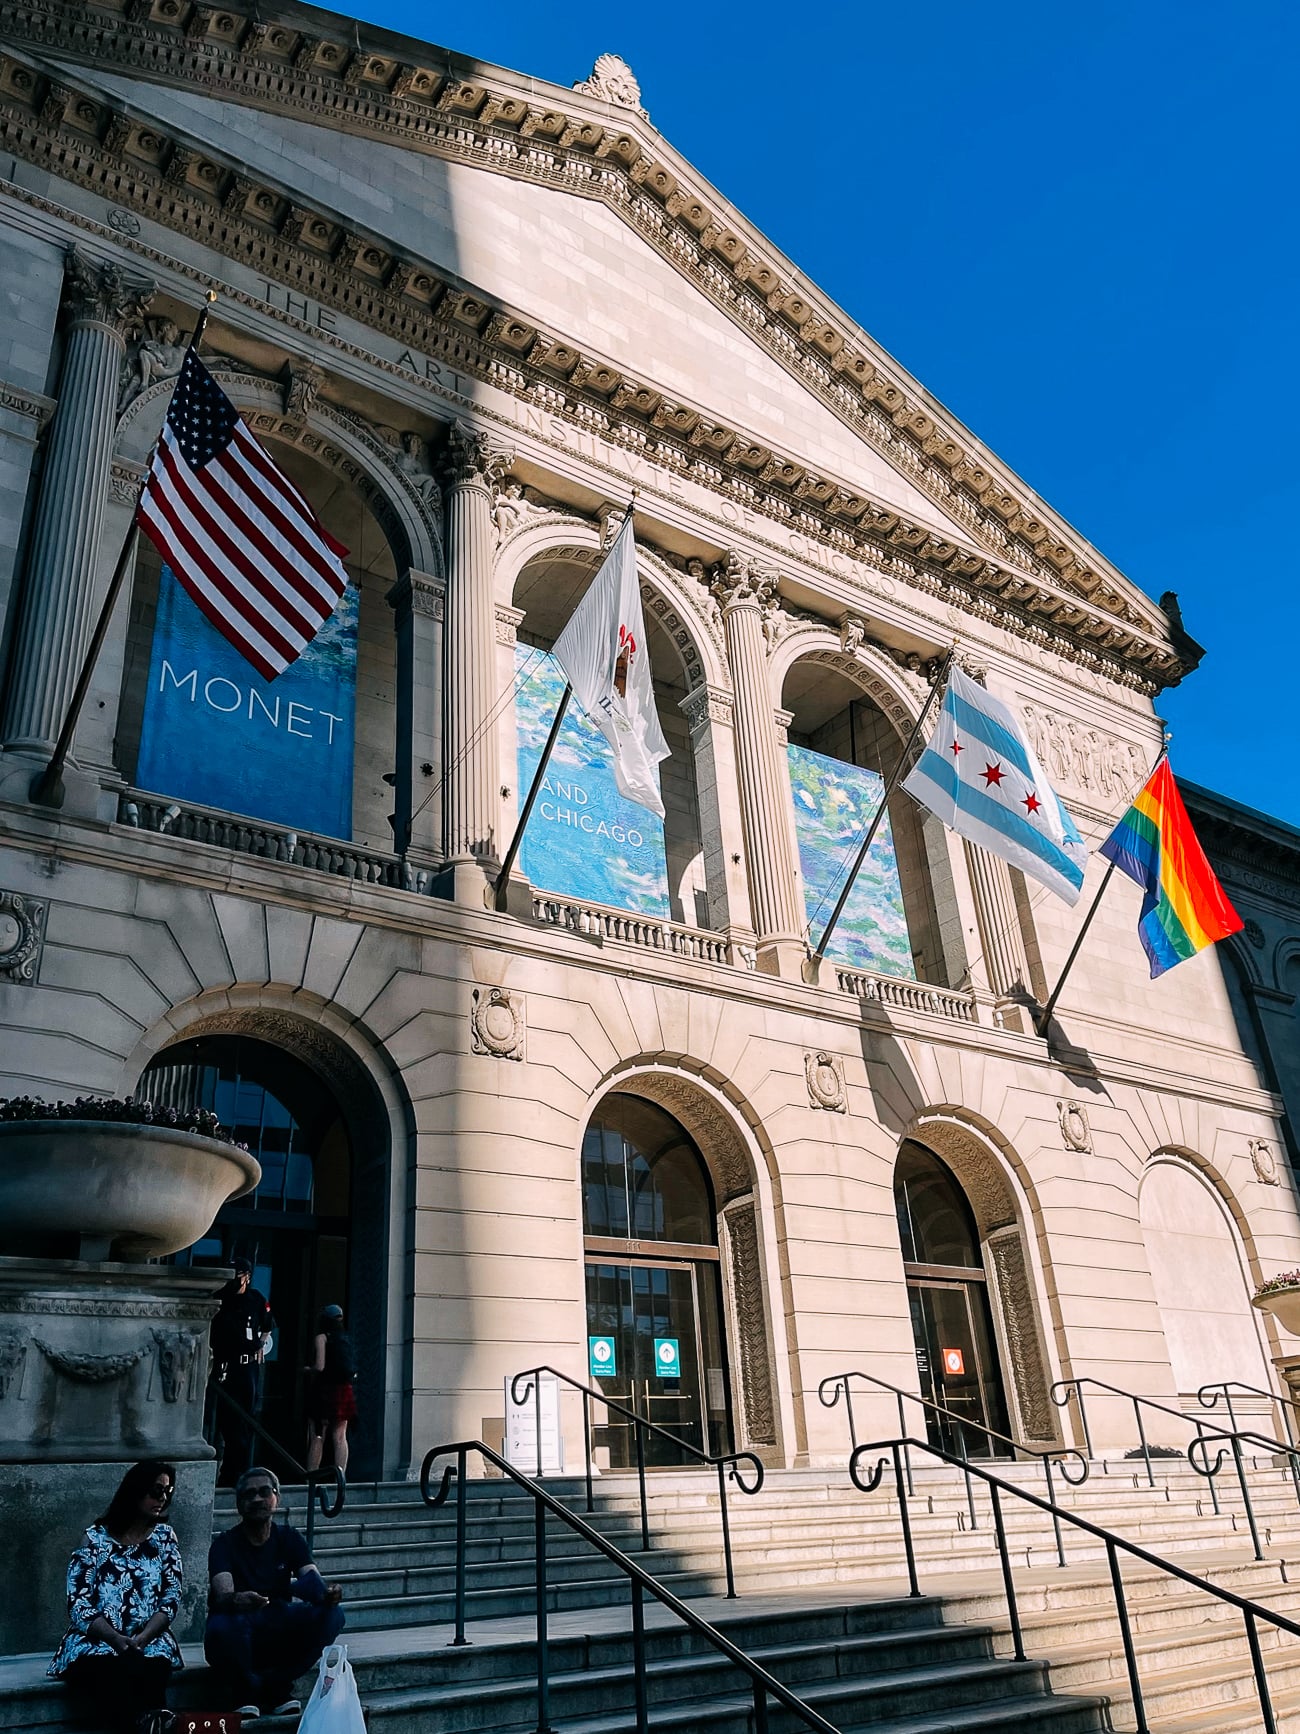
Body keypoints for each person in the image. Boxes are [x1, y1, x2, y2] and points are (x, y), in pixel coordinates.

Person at [49, 1460, 183, 1734]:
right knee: (112, 1671)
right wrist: (113, 1637)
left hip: (149, 1637)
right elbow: (78, 1602)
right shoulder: (95, 1540)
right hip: (96, 1639)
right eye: (156, 1491)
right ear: (135, 1491)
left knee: (151, 1666)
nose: (163, 1498)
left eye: (167, 1492)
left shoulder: (165, 1538)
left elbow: (171, 1597)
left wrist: (143, 1637)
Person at [204, 1467, 344, 1718]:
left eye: (264, 1492)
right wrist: (239, 1599)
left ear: (276, 1498)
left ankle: (277, 1685)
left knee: (333, 1616)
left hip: (277, 1623)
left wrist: (329, 1595)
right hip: (237, 1626)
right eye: (249, 1494)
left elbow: (313, 1582)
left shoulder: (288, 1538)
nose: (257, 1499)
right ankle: (244, 1690)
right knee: (223, 1625)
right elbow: (223, 1595)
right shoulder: (224, 1544)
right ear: (238, 1504)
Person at [211, 1258, 273, 1488]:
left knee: (246, 1421)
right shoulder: (222, 1298)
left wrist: (260, 1346)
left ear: (246, 1275)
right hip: (225, 1366)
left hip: (248, 1367)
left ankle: (239, 1472)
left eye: (237, 1274)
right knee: (227, 1421)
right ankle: (228, 1472)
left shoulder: (255, 1299)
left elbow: (267, 1325)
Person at [305, 1304, 356, 1479]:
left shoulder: (322, 1337)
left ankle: (311, 1476)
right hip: (344, 1390)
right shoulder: (346, 1339)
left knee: (318, 1435)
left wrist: (307, 1370)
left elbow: (320, 1366)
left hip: (324, 1390)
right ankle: (341, 1477)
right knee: (340, 1437)